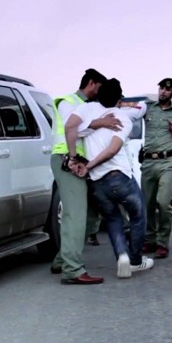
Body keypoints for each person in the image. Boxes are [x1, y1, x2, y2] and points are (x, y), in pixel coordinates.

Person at [64, 78, 153, 278]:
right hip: (119, 177)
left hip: (97, 183)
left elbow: (69, 128)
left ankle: (122, 256)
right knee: (138, 215)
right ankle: (135, 261)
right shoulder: (122, 117)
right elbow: (112, 150)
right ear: (119, 99)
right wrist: (89, 165)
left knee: (113, 219)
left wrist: (74, 158)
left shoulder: (85, 109)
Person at [50, 68, 122, 285]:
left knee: (91, 213)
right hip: (68, 160)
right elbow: (72, 129)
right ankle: (72, 270)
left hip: (83, 164)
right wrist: (99, 123)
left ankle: (62, 260)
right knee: (75, 215)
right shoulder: (67, 102)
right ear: (91, 83)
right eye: (99, 88)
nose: (101, 93)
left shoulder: (91, 106)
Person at [126, 77, 172, 259]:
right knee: (147, 204)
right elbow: (128, 116)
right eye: (161, 88)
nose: (163, 92)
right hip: (148, 162)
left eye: (167, 89)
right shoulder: (146, 107)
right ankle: (150, 240)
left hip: (167, 162)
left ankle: (162, 243)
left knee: (163, 203)